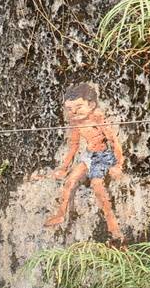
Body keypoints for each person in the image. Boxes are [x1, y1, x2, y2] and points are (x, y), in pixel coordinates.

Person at [36, 81, 126, 241]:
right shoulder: (75, 123)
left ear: (91, 105)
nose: (74, 112)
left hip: (103, 156)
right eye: (69, 109)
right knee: (70, 181)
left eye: (78, 107)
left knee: (97, 186)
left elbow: (114, 141)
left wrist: (118, 165)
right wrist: (63, 167)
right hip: (89, 155)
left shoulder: (98, 118)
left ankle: (114, 227)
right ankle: (61, 214)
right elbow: (74, 146)